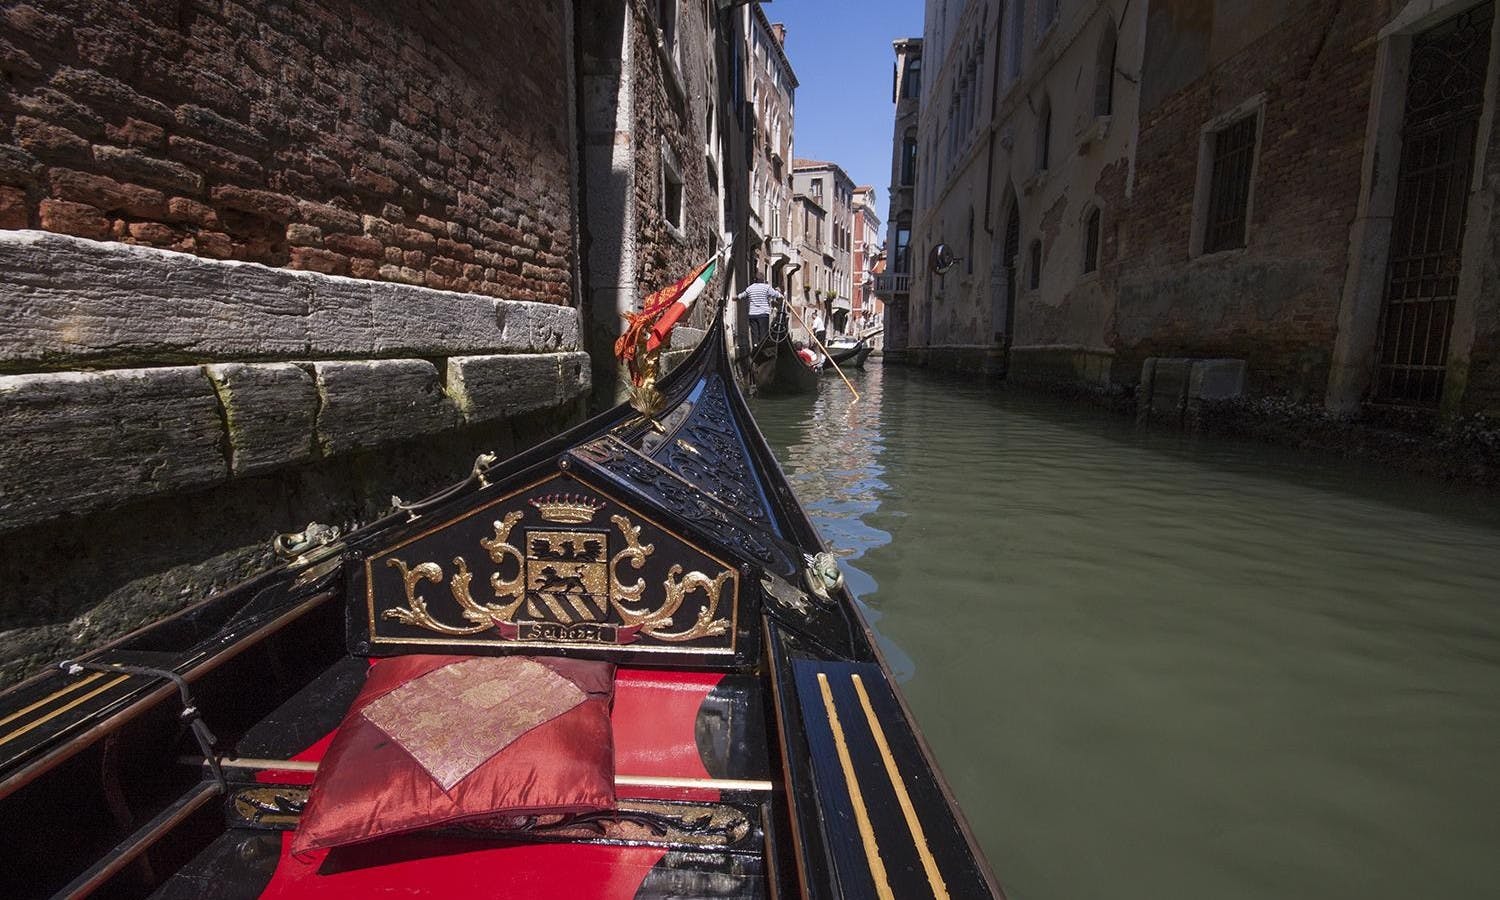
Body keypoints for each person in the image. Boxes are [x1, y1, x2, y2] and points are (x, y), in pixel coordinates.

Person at [737, 280, 783, 349]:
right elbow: (775, 294)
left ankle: (755, 347)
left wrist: (736, 297)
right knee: (763, 333)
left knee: (754, 333)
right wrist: (781, 295)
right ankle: (762, 349)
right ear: (763, 281)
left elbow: (742, 295)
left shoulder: (750, 288)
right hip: (763, 314)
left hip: (752, 314)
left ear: (755, 280)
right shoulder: (766, 287)